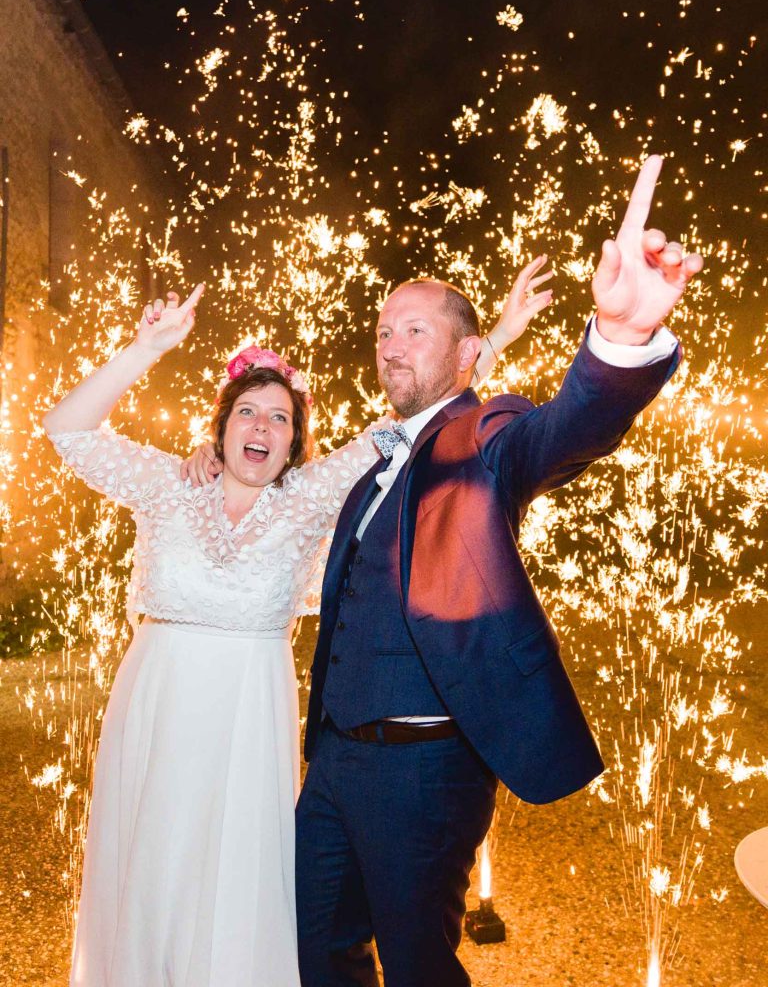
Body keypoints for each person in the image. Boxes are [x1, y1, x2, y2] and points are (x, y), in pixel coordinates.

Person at [43, 257, 552, 987]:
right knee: (150, 863)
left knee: (240, 877)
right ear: (220, 428)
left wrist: (490, 335)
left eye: (281, 417)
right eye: (248, 410)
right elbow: (67, 431)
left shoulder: (307, 499)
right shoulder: (167, 486)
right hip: (156, 705)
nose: (263, 424)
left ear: (293, 443)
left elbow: (415, 424)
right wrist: (146, 350)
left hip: (249, 716)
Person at [288, 155, 703, 987]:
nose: (390, 344)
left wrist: (620, 343)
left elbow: (563, 430)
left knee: (417, 969)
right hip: (331, 767)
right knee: (320, 958)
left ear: (470, 351)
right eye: (382, 329)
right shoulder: (370, 466)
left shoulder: (485, 436)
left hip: (426, 771)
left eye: (415, 329)